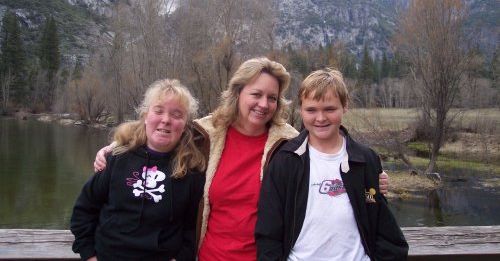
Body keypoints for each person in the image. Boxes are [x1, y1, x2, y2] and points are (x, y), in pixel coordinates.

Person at [93, 58, 390, 260]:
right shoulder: (204, 135)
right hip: (208, 255)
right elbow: (160, 135)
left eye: (272, 98)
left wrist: (371, 178)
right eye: (256, 94)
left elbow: (330, 149)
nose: (263, 104)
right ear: (238, 93)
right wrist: (117, 148)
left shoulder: (288, 144)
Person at [255, 68, 408, 260]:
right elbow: (269, 233)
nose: (320, 118)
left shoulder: (365, 160)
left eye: (330, 109)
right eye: (311, 110)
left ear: (344, 107)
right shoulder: (285, 161)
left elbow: (383, 226)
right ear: (301, 109)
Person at [71, 79, 206, 261]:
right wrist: (89, 255)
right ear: (145, 116)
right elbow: (84, 211)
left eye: (176, 115)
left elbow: (192, 228)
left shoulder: (192, 172)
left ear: (185, 125)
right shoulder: (116, 159)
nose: (166, 120)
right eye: (158, 111)